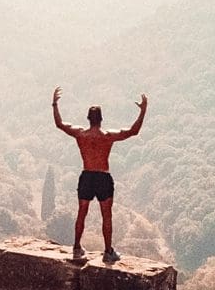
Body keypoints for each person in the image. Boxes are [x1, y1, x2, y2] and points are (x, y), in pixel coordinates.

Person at [52, 86, 147, 262]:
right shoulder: (107, 136)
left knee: (82, 212)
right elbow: (133, 131)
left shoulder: (80, 134)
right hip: (103, 177)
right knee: (106, 215)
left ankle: (76, 247)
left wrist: (54, 104)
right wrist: (143, 111)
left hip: (87, 176)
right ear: (101, 119)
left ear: (88, 119)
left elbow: (60, 124)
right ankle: (108, 252)